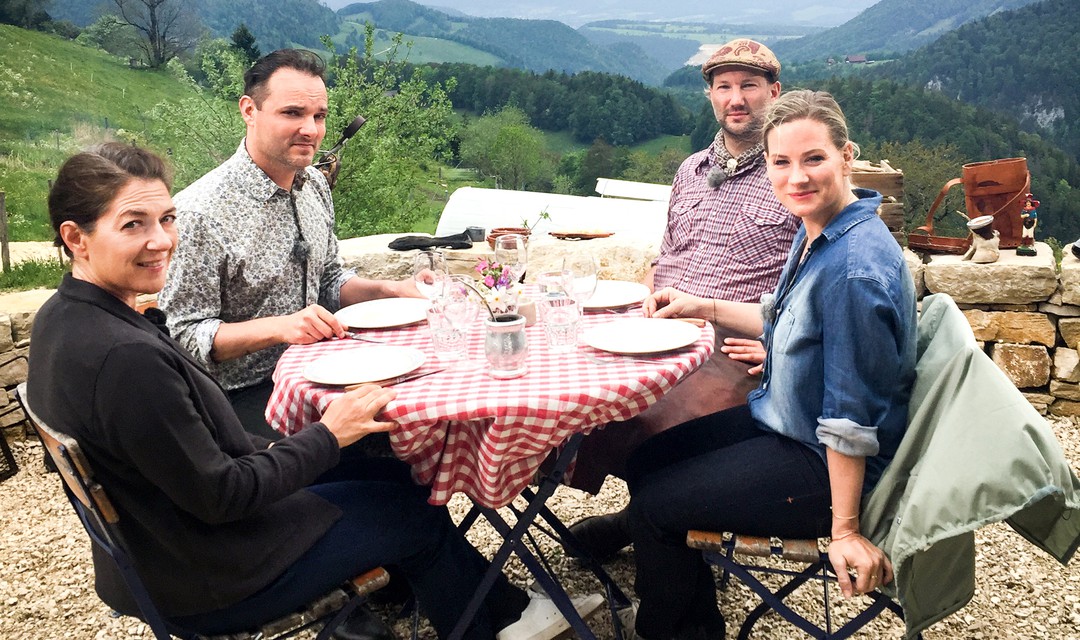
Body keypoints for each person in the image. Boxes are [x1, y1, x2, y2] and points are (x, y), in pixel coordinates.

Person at [28, 143, 602, 640]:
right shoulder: (125, 360)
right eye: (134, 224)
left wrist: (310, 446)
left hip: (158, 551)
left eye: (167, 218)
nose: (162, 241)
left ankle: (485, 607)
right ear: (75, 237)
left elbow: (196, 462)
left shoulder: (64, 319)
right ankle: (491, 625)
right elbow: (222, 495)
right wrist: (329, 433)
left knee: (391, 473)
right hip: (213, 573)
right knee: (411, 507)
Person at [618, 90, 917, 639]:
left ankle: (679, 629)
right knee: (643, 459)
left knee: (656, 506)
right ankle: (684, 590)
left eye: (814, 159)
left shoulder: (854, 269)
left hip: (821, 463)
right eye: (781, 162)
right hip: (784, 418)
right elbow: (790, 321)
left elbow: (849, 418)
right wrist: (700, 304)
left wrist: (845, 528)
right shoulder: (828, 230)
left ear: (846, 156)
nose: (796, 177)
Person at [567, 38, 797, 558]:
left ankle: (658, 521)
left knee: (669, 424)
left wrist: (781, 346)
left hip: (734, 342)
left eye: (749, 86)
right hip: (659, 328)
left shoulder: (790, 174)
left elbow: (808, 288)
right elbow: (667, 253)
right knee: (585, 403)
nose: (735, 98)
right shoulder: (690, 170)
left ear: (773, 93)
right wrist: (640, 306)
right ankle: (646, 517)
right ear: (712, 96)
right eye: (724, 87)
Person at [158, 49, 422, 441]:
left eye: (319, 116)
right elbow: (183, 336)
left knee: (412, 427)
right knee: (391, 443)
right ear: (249, 110)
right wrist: (281, 328)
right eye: (293, 113)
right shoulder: (199, 213)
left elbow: (330, 278)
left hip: (323, 373)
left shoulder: (313, 184)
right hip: (240, 402)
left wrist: (389, 291)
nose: (312, 130)